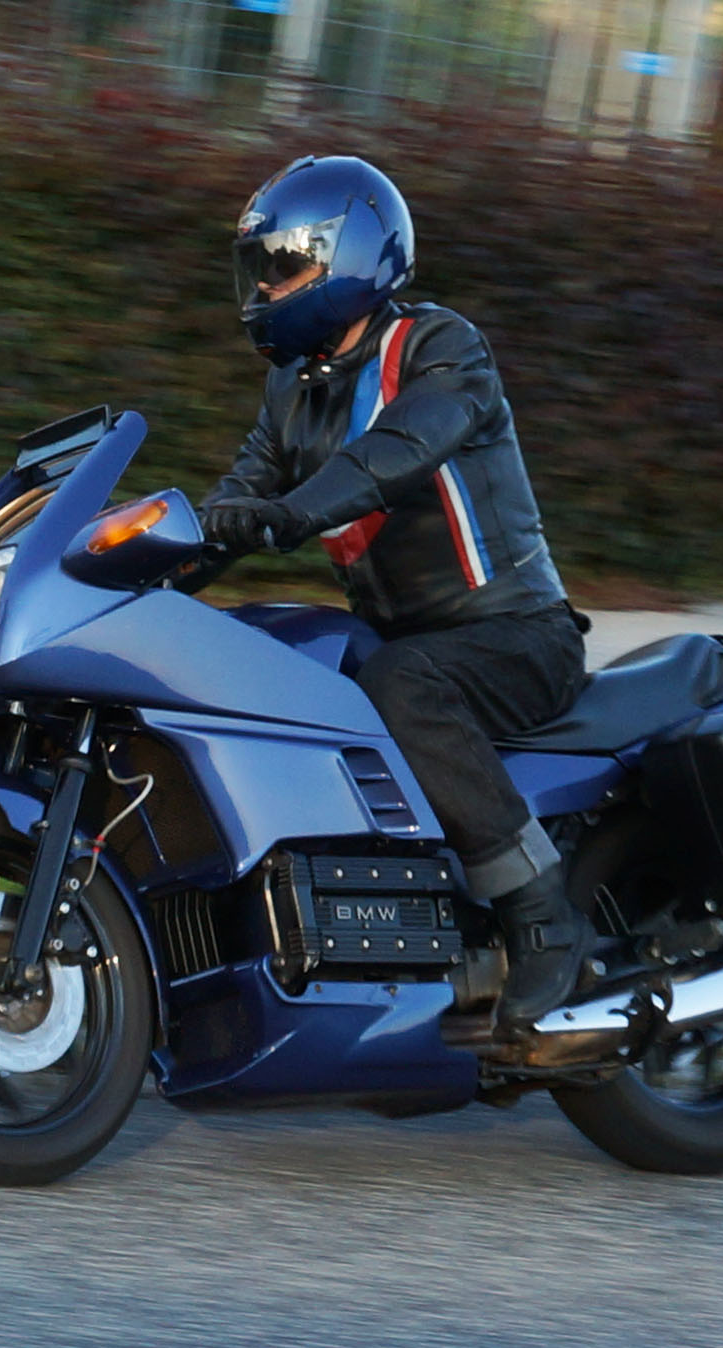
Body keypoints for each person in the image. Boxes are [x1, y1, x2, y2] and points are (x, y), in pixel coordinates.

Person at [191, 154, 594, 1031]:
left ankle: (541, 913)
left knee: (400, 682)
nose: (265, 287)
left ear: (349, 257)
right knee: (279, 666)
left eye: (283, 265)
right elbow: (235, 498)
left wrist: (289, 514)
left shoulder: (442, 349)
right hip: (407, 643)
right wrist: (146, 562)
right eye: (259, 268)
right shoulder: (292, 390)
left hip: (518, 636)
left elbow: (396, 453)